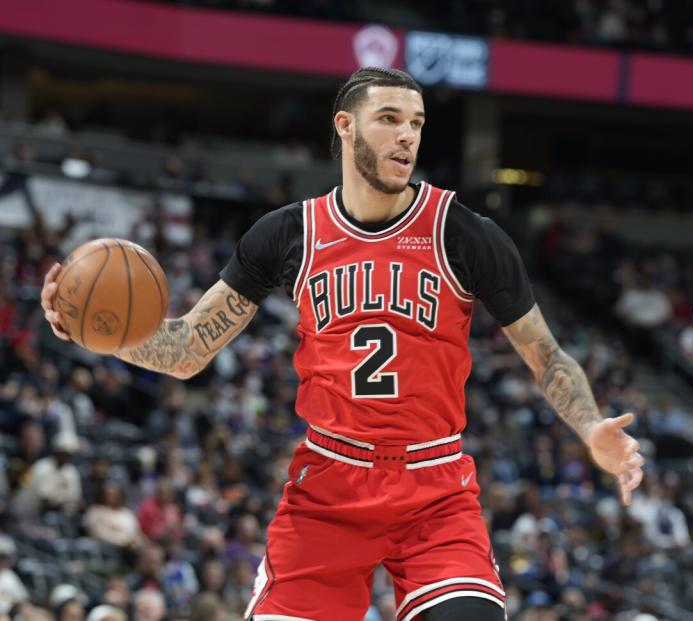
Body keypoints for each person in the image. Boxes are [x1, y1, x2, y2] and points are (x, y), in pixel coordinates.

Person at [41, 67, 645, 621]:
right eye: (389, 119)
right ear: (345, 125)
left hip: (433, 489)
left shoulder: (463, 233)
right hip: (328, 487)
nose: (406, 136)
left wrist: (589, 424)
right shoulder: (286, 235)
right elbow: (188, 347)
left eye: (416, 123)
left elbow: (546, 353)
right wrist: (104, 334)